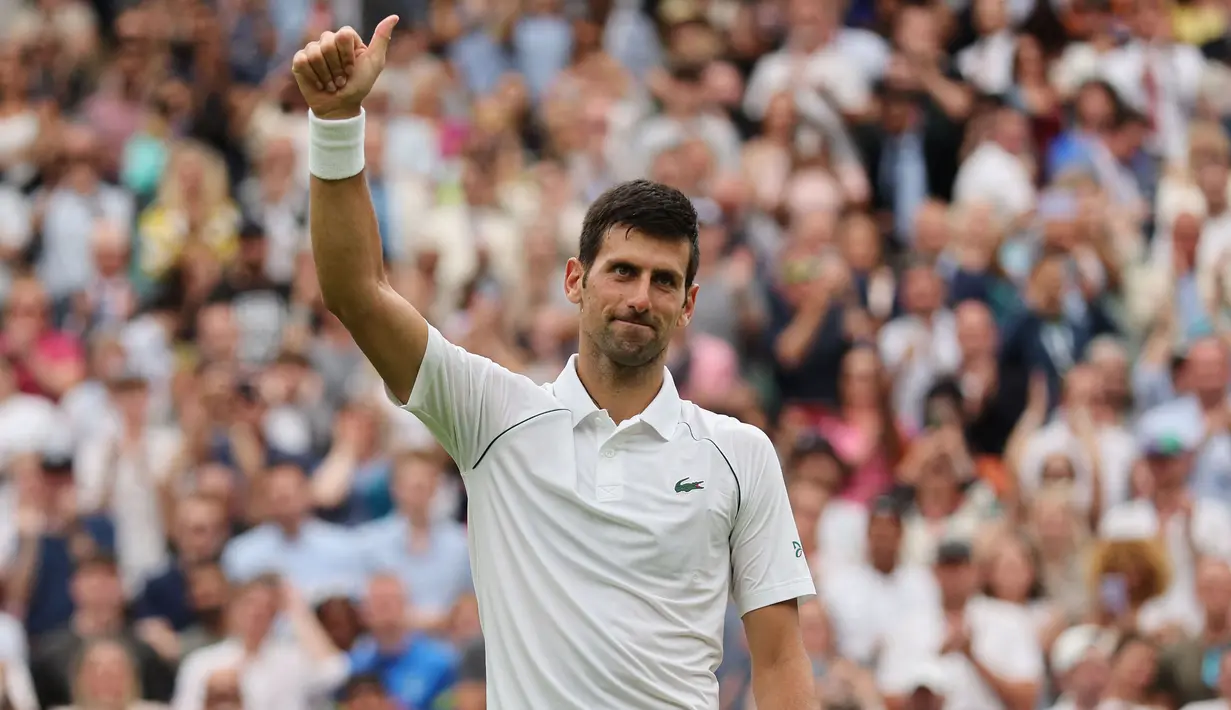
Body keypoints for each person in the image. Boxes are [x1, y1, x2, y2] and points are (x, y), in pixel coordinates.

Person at [290, 17, 817, 709]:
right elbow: (355, 292)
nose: (639, 297)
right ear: (574, 281)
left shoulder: (739, 454)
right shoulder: (491, 417)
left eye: (663, 282)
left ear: (688, 305)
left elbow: (778, 664)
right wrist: (336, 121)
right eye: (621, 271)